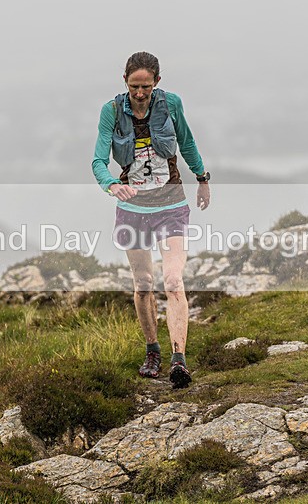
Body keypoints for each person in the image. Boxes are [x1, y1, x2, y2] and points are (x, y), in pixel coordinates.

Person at [92, 52, 210, 389]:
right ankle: (152, 350)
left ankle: (179, 361)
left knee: (172, 280)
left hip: (172, 204)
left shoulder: (171, 104)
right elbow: (99, 159)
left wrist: (202, 178)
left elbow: (186, 142)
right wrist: (111, 184)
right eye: (133, 87)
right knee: (143, 284)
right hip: (132, 210)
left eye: (145, 86)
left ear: (157, 82)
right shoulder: (111, 111)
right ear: (125, 82)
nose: (140, 93)